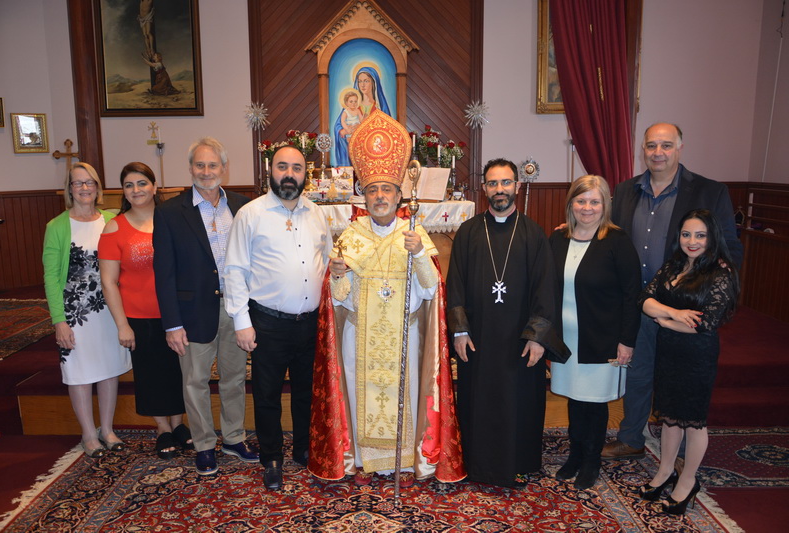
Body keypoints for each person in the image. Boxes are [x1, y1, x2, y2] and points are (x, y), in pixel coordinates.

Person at [309, 110, 465, 486]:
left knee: (407, 396)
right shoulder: (350, 235)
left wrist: (417, 255)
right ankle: (364, 457)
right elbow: (339, 301)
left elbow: (431, 291)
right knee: (360, 396)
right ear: (364, 193)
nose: (380, 196)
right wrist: (340, 277)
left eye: (387, 190)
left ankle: (406, 458)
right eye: (373, 190)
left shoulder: (415, 234)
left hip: (406, 337)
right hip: (359, 338)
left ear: (399, 195)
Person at [603, 123, 744, 460]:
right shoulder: (625, 191)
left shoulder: (710, 191)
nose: (658, 153)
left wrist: (716, 283)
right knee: (637, 372)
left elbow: (730, 248)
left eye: (666, 145)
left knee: (679, 376)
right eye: (651, 146)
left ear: (680, 148)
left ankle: (680, 447)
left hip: (686, 304)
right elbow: (607, 235)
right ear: (643, 150)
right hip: (638, 302)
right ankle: (632, 437)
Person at [446, 158, 567, 487]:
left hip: (520, 339)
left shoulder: (533, 233)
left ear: (517, 186)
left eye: (505, 182)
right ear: (484, 188)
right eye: (493, 183)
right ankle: (477, 464)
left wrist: (538, 337)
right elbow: (454, 284)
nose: (499, 189)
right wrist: (459, 330)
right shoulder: (469, 232)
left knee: (520, 402)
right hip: (479, 339)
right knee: (479, 401)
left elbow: (546, 288)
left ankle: (520, 462)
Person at [223, 145, 333, 491]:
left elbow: (327, 262)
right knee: (267, 394)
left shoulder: (317, 214)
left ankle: (302, 448)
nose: (289, 174)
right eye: (283, 167)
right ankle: (271, 456)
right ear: (270, 171)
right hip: (267, 322)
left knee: (305, 392)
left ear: (306, 175)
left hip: (309, 322)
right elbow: (235, 270)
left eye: (297, 168)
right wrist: (242, 321)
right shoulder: (251, 214)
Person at [153, 137, 257, 475]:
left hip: (236, 309)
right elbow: (164, 272)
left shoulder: (243, 206)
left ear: (224, 169)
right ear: (191, 169)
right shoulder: (170, 212)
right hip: (192, 312)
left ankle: (233, 437)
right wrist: (172, 324)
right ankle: (203, 444)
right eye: (200, 165)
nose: (207, 171)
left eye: (213, 165)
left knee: (234, 378)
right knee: (195, 381)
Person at [638, 209, 739, 515]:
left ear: (711, 238)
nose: (692, 241)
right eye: (686, 234)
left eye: (700, 235)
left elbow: (705, 323)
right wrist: (675, 314)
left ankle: (688, 480)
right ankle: (665, 470)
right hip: (669, 352)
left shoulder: (721, 273)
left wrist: (666, 318)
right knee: (669, 416)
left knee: (693, 421)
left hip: (697, 356)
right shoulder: (673, 266)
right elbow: (646, 299)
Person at [549, 175, 641, 490]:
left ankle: (591, 460)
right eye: (581, 200)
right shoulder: (559, 239)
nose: (587, 208)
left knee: (594, 402)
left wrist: (626, 341)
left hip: (602, 339)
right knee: (575, 400)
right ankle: (575, 456)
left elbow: (632, 295)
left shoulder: (617, 241)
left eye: (594, 201)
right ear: (570, 204)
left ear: (605, 205)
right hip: (567, 340)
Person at [99, 162, 189, 460]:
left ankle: (179, 424)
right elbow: (109, 282)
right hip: (140, 315)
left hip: (176, 312)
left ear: (154, 186)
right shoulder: (115, 227)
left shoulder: (172, 219)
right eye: (129, 185)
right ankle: (162, 428)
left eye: (142, 183)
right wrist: (123, 325)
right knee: (152, 374)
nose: (136, 190)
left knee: (180, 371)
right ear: (123, 191)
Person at [42, 162, 131, 458]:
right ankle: (88, 434)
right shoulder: (56, 226)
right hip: (75, 314)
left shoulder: (112, 218)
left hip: (109, 309)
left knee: (108, 369)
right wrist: (59, 321)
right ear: (69, 189)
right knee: (79, 372)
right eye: (77, 183)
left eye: (89, 182)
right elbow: (51, 278)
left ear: (98, 187)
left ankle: (107, 430)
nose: (84, 188)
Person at [333, 66, 391, 167]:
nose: (362, 85)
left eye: (366, 81)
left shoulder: (380, 107)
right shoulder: (352, 104)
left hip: (374, 153)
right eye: (360, 81)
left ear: (374, 83)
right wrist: (343, 131)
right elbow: (338, 126)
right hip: (355, 151)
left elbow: (388, 129)